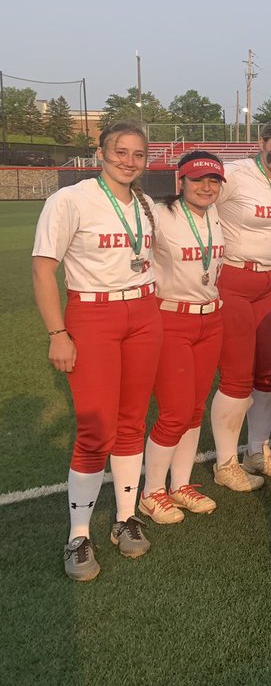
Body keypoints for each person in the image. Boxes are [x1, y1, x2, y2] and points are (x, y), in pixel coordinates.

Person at [33, 121, 163, 580]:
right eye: (120, 152)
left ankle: (126, 518)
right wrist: (57, 333)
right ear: (101, 153)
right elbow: (43, 271)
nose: (129, 161)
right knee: (95, 427)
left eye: (137, 154)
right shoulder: (70, 199)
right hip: (93, 316)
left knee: (131, 422)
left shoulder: (143, 204)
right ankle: (80, 534)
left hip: (144, 314)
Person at [212, 117, 271, 491]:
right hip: (234, 280)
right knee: (236, 377)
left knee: (269, 373)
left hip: (270, 283)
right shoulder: (235, 173)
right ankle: (225, 463)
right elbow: (195, 203)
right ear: (260, 142)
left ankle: (256, 450)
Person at [141, 152, 227, 525]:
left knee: (194, 410)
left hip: (211, 320)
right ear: (181, 181)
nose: (206, 187)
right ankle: (151, 492)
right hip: (171, 319)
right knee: (175, 412)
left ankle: (181, 484)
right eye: (197, 180)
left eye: (213, 180)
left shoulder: (215, 215)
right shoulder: (160, 214)